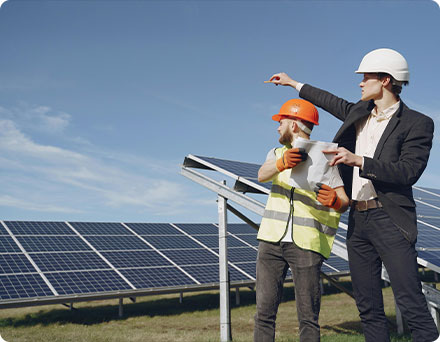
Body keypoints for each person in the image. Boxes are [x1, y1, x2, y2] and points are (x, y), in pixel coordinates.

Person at [267, 48, 439, 342]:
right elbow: (329, 100)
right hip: (358, 222)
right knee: (368, 307)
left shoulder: (418, 123)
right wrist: (294, 83)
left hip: (390, 219)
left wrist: (358, 160)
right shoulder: (359, 112)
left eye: (366, 77)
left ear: (385, 80)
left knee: (410, 302)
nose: (360, 83)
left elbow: (408, 171)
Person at [254, 98, 349, 342]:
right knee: (263, 313)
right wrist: (281, 163)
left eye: (281, 121)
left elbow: (343, 199)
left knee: (308, 317)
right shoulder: (275, 153)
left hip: (307, 244)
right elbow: (262, 175)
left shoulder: (326, 158)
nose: (277, 127)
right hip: (271, 242)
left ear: (294, 125)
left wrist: (335, 202)